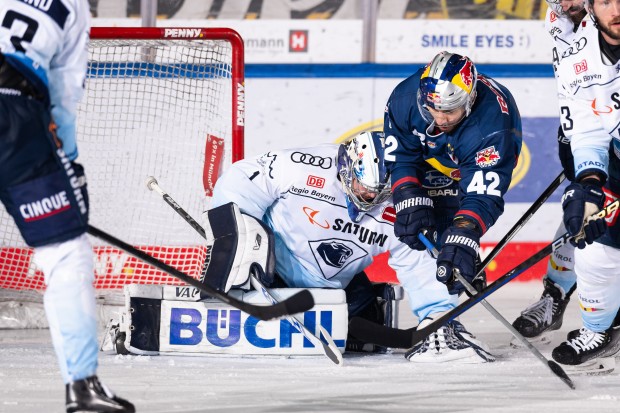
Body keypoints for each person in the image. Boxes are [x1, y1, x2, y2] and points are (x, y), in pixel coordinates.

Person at [209, 131, 495, 363]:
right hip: (273, 270)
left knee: (368, 325)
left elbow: (417, 261)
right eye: (363, 186)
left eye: (380, 192)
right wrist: (237, 235)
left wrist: (436, 315)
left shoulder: (404, 206)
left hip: (337, 289)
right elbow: (241, 179)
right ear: (346, 167)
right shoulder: (301, 166)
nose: (370, 196)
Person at [0, 1, 134, 412]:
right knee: (65, 252)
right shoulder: (71, 5)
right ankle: (82, 385)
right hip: (14, 118)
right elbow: (63, 93)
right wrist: (68, 162)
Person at [382, 51, 522, 359]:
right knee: (411, 222)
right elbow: (401, 155)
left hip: (475, 158)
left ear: (469, 100)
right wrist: (407, 195)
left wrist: (465, 232)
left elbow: (482, 193)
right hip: (430, 154)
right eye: (434, 108)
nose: (441, 118)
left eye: (450, 110)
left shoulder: (492, 125)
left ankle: (443, 309)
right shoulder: (406, 97)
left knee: (452, 235)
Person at [548, 0, 620, 370]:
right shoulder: (579, 57)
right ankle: (600, 329)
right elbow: (589, 125)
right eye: (607, 0)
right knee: (593, 244)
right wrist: (590, 179)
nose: (617, 9)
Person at [511, 0, 589, 344]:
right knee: (581, 214)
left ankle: (606, 320)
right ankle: (554, 297)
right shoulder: (559, 16)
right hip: (585, 137)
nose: (566, 3)